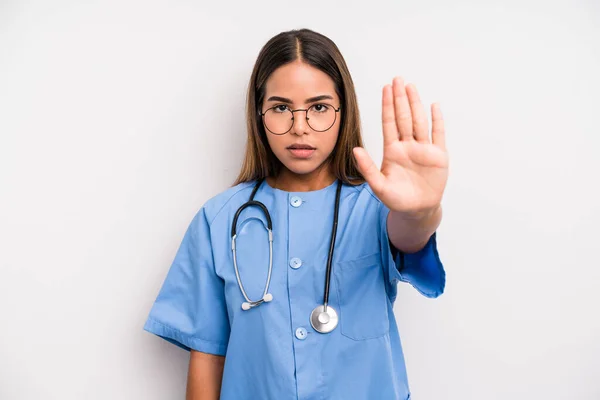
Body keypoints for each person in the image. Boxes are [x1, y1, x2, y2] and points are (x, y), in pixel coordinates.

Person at [143, 28, 449, 400]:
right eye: (281, 108)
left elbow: (410, 234)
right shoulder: (219, 220)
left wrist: (422, 209)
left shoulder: (376, 209)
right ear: (259, 115)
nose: (299, 126)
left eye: (319, 107)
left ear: (343, 111)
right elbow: (208, 355)